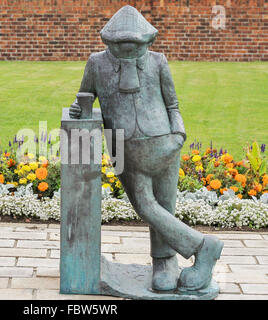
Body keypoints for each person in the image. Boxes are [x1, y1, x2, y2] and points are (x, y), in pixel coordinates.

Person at [69, 5, 223, 292]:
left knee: (164, 204)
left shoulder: (157, 62)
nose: (129, 50)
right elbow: (85, 96)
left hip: (164, 142)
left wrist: (178, 133)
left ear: (147, 41)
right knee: (144, 205)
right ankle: (204, 246)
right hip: (121, 147)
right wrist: (80, 107)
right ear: (109, 42)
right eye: (121, 45)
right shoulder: (96, 63)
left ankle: (165, 262)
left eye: (136, 45)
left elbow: (172, 104)